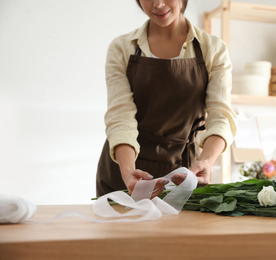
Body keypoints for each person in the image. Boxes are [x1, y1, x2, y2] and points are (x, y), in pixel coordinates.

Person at [96, 0, 237, 198]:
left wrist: (206, 161)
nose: (158, 4)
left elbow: (221, 116)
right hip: (125, 171)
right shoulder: (122, 48)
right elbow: (120, 116)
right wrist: (127, 172)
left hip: (184, 172)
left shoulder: (212, 49)